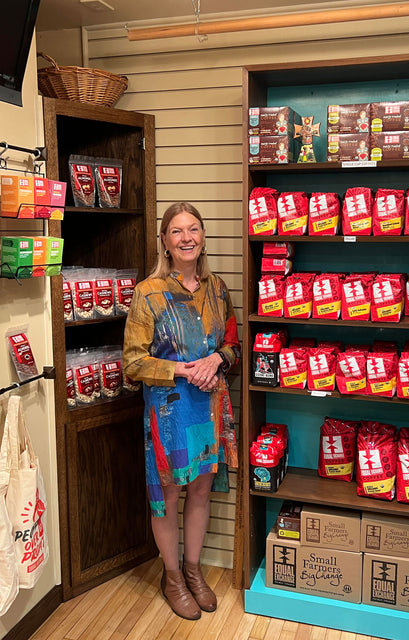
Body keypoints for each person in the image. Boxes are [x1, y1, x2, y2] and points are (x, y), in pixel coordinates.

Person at [123, 202, 240, 620]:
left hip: (208, 406)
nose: (187, 237)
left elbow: (234, 348)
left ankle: (194, 571)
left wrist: (216, 361)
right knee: (167, 496)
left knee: (202, 492)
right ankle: (171, 576)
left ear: (203, 236)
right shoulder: (147, 293)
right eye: (177, 231)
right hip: (168, 412)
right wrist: (181, 368)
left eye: (193, 229)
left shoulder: (218, 289)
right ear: (165, 242)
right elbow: (133, 363)